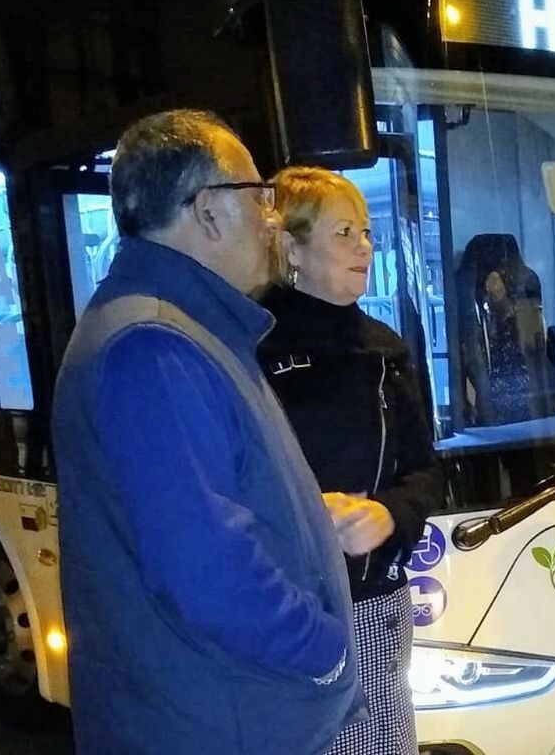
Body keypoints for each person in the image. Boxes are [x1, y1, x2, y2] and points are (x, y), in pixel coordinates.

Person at [53, 110, 362, 755]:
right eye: (260, 197)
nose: (272, 219)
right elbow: (209, 570)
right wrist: (325, 651)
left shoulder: (182, 328)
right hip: (219, 724)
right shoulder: (154, 345)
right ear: (208, 210)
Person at [259, 166, 444, 755]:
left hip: (382, 605)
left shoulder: (385, 349)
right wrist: (308, 514)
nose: (364, 247)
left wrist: (389, 514)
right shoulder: (249, 348)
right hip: (294, 614)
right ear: (291, 247)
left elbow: (426, 470)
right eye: (344, 233)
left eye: (366, 232)